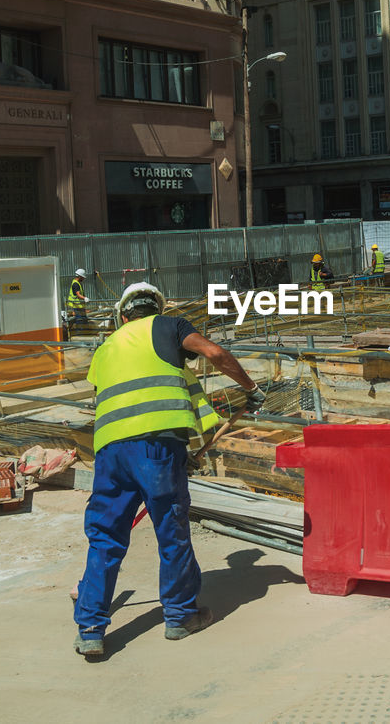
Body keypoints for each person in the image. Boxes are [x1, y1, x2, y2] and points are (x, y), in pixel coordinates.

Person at [73, 281, 266, 658]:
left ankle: (91, 628)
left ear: (123, 316)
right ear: (156, 310)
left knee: (105, 537)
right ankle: (179, 617)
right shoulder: (169, 326)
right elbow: (213, 352)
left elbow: (116, 395)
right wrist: (250, 387)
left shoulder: (105, 348)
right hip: (157, 447)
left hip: (111, 451)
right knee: (171, 530)